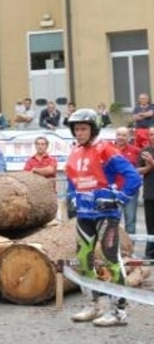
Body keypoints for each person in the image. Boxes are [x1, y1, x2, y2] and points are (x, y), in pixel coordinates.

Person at [65, 108, 141, 327]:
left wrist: (119, 198)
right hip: (84, 214)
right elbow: (71, 178)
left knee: (110, 258)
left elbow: (133, 177)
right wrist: (71, 196)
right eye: (76, 129)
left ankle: (118, 311)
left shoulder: (106, 149)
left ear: (94, 128)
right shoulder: (75, 151)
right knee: (83, 258)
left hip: (106, 214)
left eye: (83, 128)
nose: (79, 133)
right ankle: (93, 304)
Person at [112, 127, 141, 234]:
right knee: (113, 222)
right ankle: (114, 249)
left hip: (131, 192)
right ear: (115, 135)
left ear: (128, 137)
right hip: (113, 192)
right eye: (119, 134)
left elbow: (141, 168)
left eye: (124, 135)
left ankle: (130, 249)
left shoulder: (136, 151)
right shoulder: (108, 150)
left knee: (130, 221)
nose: (121, 137)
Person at [139, 137, 154, 259]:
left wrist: (151, 162)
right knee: (150, 225)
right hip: (149, 193)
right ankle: (150, 253)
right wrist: (148, 167)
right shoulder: (144, 151)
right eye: (151, 134)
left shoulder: (148, 156)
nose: (152, 136)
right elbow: (137, 170)